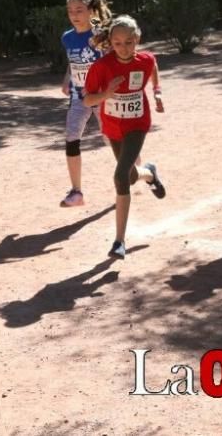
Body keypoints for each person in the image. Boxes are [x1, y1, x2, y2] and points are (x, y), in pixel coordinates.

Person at [82, 15, 166, 259]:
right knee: (129, 177)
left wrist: (157, 93)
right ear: (110, 42)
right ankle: (149, 173)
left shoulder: (145, 59)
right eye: (118, 43)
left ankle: (119, 241)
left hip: (137, 123)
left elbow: (153, 67)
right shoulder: (102, 67)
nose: (124, 47)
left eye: (129, 42)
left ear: (137, 39)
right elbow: (87, 99)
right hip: (112, 126)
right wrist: (107, 93)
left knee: (119, 176)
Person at [59, 0, 111, 207]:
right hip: (79, 95)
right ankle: (76, 191)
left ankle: (136, 170)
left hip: (101, 95)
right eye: (71, 11)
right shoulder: (67, 38)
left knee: (112, 139)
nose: (74, 15)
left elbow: (111, 61)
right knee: (71, 138)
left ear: (91, 11)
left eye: (79, 10)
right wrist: (67, 78)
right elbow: (74, 61)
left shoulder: (100, 36)